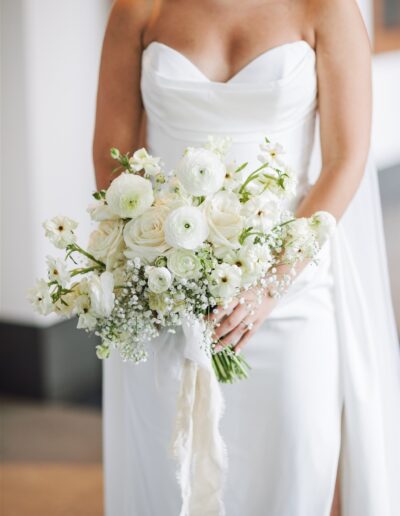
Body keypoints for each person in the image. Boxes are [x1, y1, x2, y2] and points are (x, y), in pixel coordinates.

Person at [93, 1, 400, 515]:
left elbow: (346, 159)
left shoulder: (326, 8)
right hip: (167, 294)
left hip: (291, 294)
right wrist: (159, 269)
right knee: (172, 476)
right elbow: (111, 157)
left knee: (291, 473)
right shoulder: (139, 8)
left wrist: (268, 286)